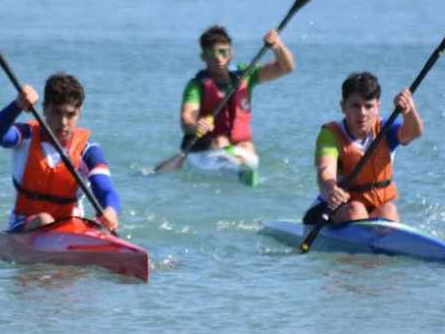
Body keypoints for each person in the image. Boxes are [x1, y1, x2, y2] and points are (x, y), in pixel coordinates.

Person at [0, 73, 120, 233]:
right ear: (44, 110)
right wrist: (17, 105)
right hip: (24, 228)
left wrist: (110, 211)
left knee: (95, 226)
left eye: (70, 115)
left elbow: (106, 190)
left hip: (71, 229)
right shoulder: (25, 136)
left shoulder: (89, 151)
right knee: (45, 220)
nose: (63, 122)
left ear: (80, 112)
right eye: (57, 112)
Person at [303, 71, 424, 225]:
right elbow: (325, 169)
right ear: (343, 106)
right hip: (330, 210)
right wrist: (331, 188)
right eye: (355, 106)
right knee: (356, 210)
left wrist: (409, 111)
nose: (362, 113)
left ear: (377, 107)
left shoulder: (386, 129)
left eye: (368, 106)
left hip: (374, 208)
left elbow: (413, 132)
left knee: (389, 211)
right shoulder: (330, 135)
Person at [178, 25, 294, 159]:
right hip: (205, 146)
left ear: (231, 53)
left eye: (223, 52)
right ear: (203, 56)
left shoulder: (246, 74)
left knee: (247, 147)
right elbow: (187, 119)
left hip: (239, 145)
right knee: (221, 142)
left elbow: (286, 68)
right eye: (211, 53)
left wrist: (278, 47)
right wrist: (195, 126)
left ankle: (242, 169)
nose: (219, 59)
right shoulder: (196, 86)